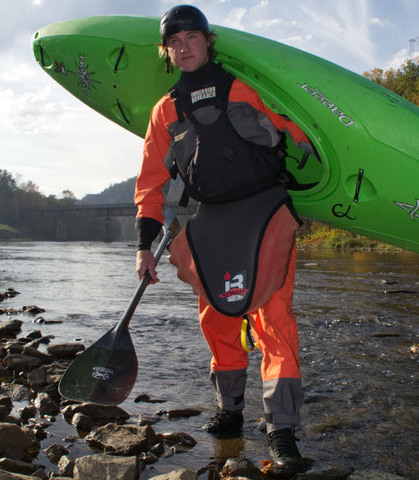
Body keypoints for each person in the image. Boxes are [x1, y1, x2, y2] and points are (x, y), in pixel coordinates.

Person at [134, 5, 313, 475]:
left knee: (275, 321)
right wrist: (142, 247)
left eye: (193, 36)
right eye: (175, 41)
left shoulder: (247, 86)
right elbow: (152, 185)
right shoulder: (165, 111)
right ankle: (230, 411)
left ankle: (282, 431)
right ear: (166, 52)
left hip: (265, 211)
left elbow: (300, 128)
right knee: (216, 319)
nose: (184, 45)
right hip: (210, 220)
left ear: (208, 42)